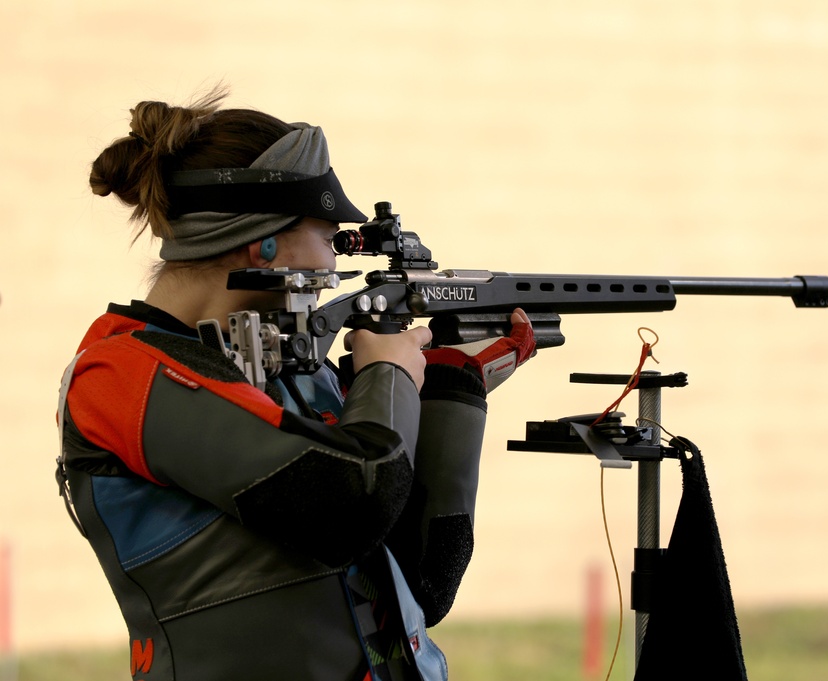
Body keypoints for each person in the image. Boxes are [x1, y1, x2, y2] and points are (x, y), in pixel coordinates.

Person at [56, 88, 535, 681]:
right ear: (264, 238)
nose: (338, 262)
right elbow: (352, 507)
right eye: (331, 235)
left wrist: (446, 391)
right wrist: (387, 373)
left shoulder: (284, 369)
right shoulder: (119, 377)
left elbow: (423, 583)